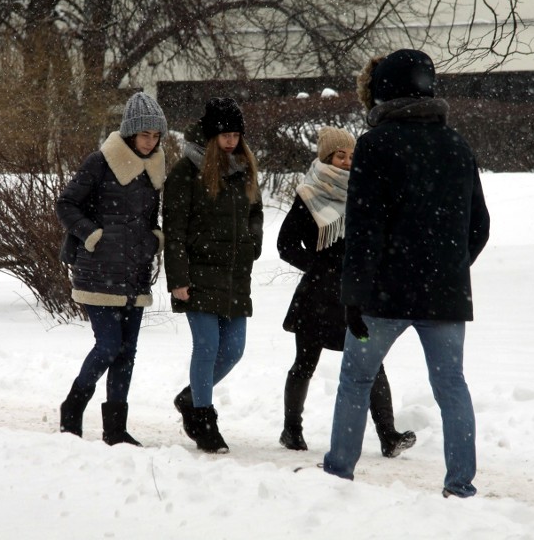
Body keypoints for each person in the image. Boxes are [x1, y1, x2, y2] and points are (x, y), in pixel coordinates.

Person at [322, 49, 490, 499]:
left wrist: (352, 294)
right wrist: (448, 268)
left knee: (355, 379)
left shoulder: (376, 145)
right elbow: (480, 227)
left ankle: (338, 473)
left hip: (383, 295)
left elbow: (364, 229)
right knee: (452, 385)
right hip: (446, 294)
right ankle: (461, 485)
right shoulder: (457, 145)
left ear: (384, 92)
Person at [277, 126, 416, 458]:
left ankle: (388, 436)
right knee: (305, 363)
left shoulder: (364, 192)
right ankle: (291, 430)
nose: (348, 161)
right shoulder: (309, 194)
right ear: (327, 157)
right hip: (316, 297)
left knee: (372, 363)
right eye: (341, 155)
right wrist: (317, 267)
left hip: (353, 296)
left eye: (352, 156)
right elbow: (285, 245)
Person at [56, 91, 168, 447]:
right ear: (130, 133)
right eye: (145, 134)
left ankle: (115, 429)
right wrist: (93, 236)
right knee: (108, 346)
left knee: (127, 351)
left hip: (134, 272)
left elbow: (149, 218)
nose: (150, 142)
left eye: (156, 136)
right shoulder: (100, 162)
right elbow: (66, 204)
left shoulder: (155, 168)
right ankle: (72, 408)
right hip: (97, 271)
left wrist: (154, 240)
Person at [163, 97, 264, 454]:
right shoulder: (186, 172)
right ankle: (203, 420)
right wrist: (178, 278)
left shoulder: (244, 167)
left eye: (236, 134)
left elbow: (256, 212)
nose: (231, 141)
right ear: (211, 136)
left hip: (236, 274)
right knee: (206, 348)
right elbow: (173, 229)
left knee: (233, 350)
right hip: (199, 273)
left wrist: (253, 243)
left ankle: (191, 397)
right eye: (224, 135)